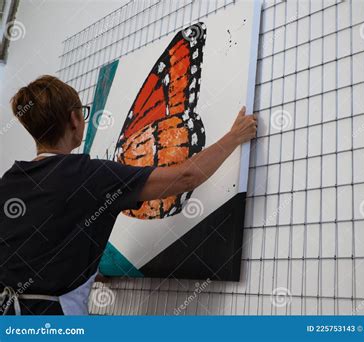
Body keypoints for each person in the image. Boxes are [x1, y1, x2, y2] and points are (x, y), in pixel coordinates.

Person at [0, 75, 257, 315]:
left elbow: (40, 239)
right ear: (74, 119)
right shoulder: (87, 174)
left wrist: (88, 269)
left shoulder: (10, 180)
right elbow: (185, 177)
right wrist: (234, 137)